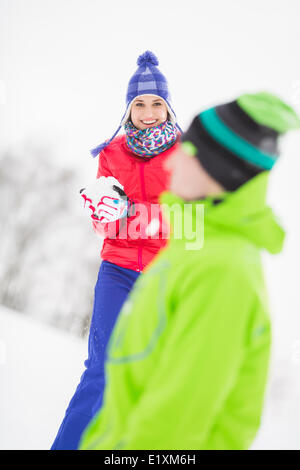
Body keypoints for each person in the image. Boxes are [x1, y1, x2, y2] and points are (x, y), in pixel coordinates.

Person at [79, 92, 300, 450]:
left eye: (187, 152)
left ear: (219, 168)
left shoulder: (222, 272)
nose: (169, 164)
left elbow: (172, 428)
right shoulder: (194, 251)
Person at [51, 51, 181, 450]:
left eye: (156, 103)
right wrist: (104, 213)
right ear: (128, 109)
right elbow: (106, 224)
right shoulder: (111, 154)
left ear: (169, 108)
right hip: (118, 272)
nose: (147, 112)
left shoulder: (187, 154)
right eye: (139, 104)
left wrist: (133, 214)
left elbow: (190, 224)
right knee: (101, 370)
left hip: (166, 275)